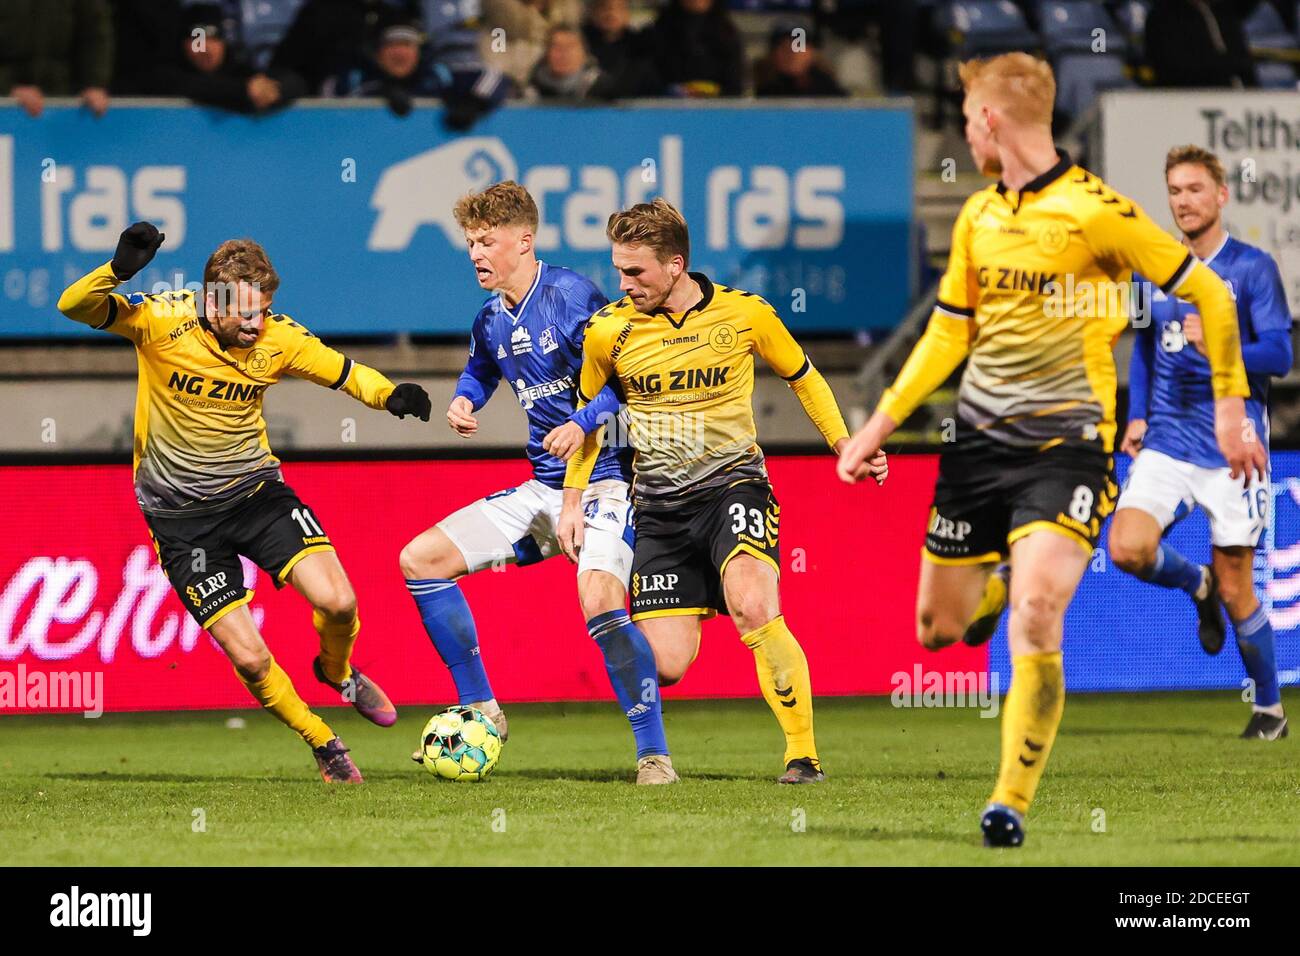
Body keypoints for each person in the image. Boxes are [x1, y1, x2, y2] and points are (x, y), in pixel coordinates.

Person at [836, 53, 1263, 847]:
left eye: (969, 117)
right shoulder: (977, 217)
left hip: (1070, 449)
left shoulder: (1096, 212)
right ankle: (991, 591)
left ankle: (1010, 801)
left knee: (1040, 615)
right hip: (978, 449)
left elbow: (1207, 288)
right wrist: (877, 426)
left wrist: (1233, 409)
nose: (965, 130)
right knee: (937, 630)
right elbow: (949, 329)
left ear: (992, 120)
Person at [57, 223, 433, 783]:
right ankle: (322, 741)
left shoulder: (278, 338)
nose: (257, 324)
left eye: (265, 309)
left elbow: (345, 373)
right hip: (182, 523)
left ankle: (338, 672)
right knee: (252, 658)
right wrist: (118, 269)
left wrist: (390, 395)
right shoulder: (161, 321)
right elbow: (74, 306)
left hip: (257, 497)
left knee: (339, 602)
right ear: (212, 301)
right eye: (245, 313)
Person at [557, 198, 887, 784]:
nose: (623, 283)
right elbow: (591, 415)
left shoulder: (745, 314)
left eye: (636, 271)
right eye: (618, 270)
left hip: (734, 488)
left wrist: (845, 444)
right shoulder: (608, 330)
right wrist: (572, 499)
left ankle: (802, 757)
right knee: (668, 665)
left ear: (676, 264)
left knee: (754, 604)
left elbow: (803, 377)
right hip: (658, 508)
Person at [397, 182, 675, 784]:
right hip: (546, 488)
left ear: (524, 241)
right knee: (419, 560)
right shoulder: (490, 317)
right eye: (470, 242)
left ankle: (654, 755)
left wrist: (580, 424)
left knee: (599, 597)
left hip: (609, 482)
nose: (475, 253)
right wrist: (464, 401)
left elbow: (623, 379)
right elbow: (481, 367)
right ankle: (484, 711)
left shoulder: (573, 296)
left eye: (487, 241)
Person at [1110, 145, 1292, 741]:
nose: (1183, 201)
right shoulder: (1155, 266)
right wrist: (1135, 416)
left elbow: (1283, 356)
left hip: (1234, 441)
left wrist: (1224, 348)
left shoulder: (1252, 268)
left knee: (1240, 586)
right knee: (1125, 548)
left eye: (1194, 189)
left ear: (1221, 195)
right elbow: (1142, 346)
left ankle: (1270, 709)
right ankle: (1197, 583)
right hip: (1165, 438)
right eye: (1175, 191)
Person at [0, 0, 112, 118]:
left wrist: (94, 84)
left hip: (63, 101)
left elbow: (94, 34)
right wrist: (7, 88)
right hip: (6, 105)